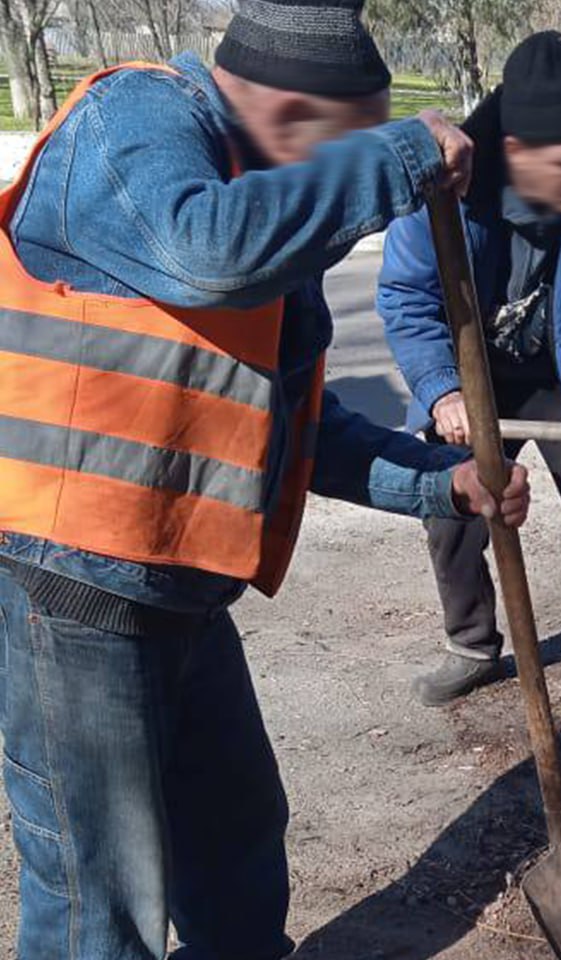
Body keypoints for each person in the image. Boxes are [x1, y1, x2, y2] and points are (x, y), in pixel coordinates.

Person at [0, 1, 531, 956]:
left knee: (238, 845)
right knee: (99, 898)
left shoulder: (261, 193)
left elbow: (294, 426)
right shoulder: (134, 123)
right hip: (72, 593)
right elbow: (210, 255)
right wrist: (399, 159)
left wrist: (442, 483)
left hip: (181, 592)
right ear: (291, 111)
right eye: (342, 151)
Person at [378, 31, 561, 780]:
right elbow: (408, 297)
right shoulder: (445, 188)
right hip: (473, 368)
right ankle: (472, 644)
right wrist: (442, 391)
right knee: (447, 498)